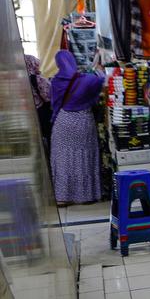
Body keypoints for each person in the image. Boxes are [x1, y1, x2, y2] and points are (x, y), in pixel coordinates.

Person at [49, 50, 104, 206]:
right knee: (83, 157)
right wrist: (98, 67)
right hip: (83, 121)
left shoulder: (55, 81)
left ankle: (62, 197)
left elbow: (53, 102)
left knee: (63, 158)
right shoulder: (86, 80)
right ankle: (86, 196)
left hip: (63, 121)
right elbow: (102, 80)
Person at [26, 54, 52, 158]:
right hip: (42, 112)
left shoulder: (21, 78)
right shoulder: (37, 79)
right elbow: (49, 97)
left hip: (28, 113)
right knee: (49, 135)